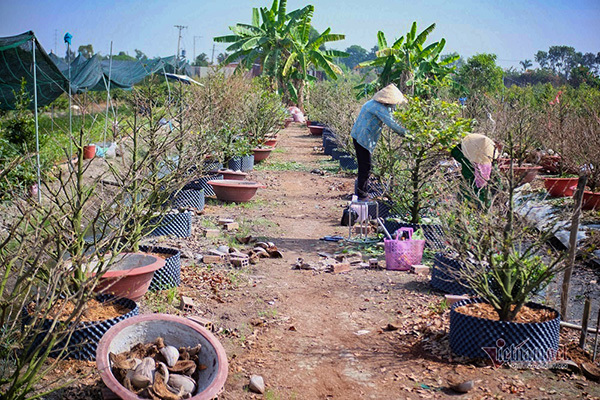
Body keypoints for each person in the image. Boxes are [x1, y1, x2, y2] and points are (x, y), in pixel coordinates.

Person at [350, 84, 407, 201]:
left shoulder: (372, 103)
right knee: (366, 167)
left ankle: (361, 193)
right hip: (363, 138)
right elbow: (392, 124)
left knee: (364, 166)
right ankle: (362, 195)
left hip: (358, 136)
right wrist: (409, 134)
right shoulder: (378, 108)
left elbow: (391, 114)